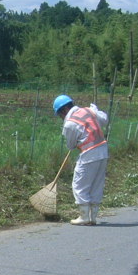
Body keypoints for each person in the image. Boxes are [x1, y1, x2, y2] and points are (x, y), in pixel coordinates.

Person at [53, 94, 108, 225]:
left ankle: (84, 217)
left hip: (89, 154)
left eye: (60, 115)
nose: (61, 118)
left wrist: (76, 141)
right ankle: (93, 217)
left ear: (64, 110)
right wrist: (95, 111)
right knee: (96, 184)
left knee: (79, 185)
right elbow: (104, 119)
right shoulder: (89, 111)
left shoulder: (70, 123)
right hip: (103, 150)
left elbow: (71, 146)